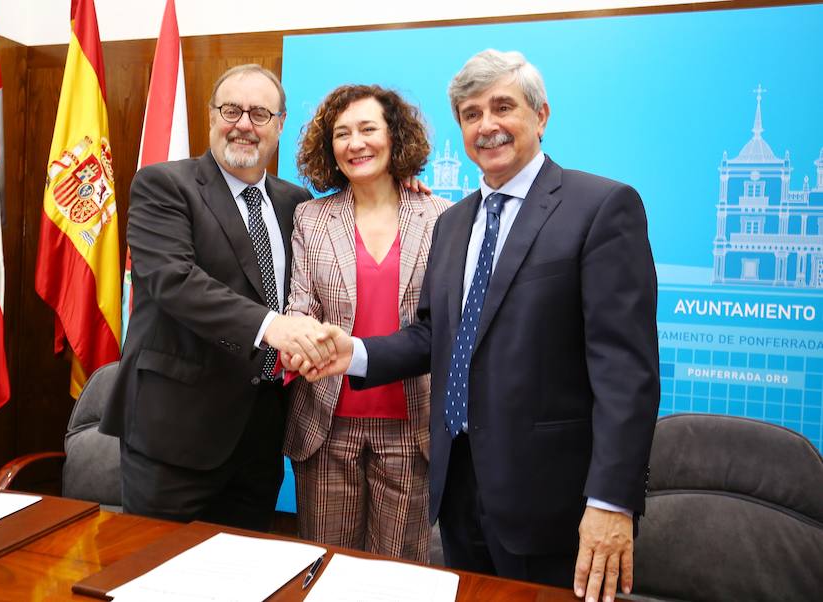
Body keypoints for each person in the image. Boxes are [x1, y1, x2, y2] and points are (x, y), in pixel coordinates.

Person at [292, 49, 660, 602]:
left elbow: (626, 373)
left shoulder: (601, 207)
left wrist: (611, 502)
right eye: (470, 113)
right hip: (457, 488)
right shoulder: (455, 221)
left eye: (502, 107)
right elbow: (435, 336)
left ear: (541, 115)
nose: (486, 126)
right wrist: (356, 355)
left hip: (550, 500)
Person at [100, 64, 333, 532]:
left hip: (259, 437)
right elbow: (174, 281)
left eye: (260, 113)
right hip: (174, 436)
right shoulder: (163, 184)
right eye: (232, 110)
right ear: (211, 116)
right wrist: (273, 326)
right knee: (153, 575)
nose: (244, 124)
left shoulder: (295, 203)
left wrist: (399, 188)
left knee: (242, 577)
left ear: (280, 125)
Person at [284, 85, 450, 562]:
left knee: (399, 575)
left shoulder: (442, 216)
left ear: (394, 136)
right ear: (329, 148)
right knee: (323, 566)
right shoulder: (310, 218)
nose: (355, 143)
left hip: (411, 426)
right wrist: (305, 340)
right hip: (326, 423)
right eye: (342, 133)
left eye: (367, 129)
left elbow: (446, 323)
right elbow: (299, 306)